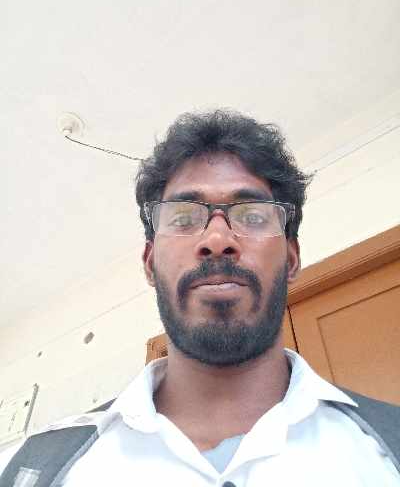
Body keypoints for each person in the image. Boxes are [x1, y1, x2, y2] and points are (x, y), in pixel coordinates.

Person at [1, 110, 399, 486]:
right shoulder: (32, 467)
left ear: (291, 259)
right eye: (184, 218)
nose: (217, 239)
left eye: (252, 216)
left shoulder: (387, 448)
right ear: (150, 262)